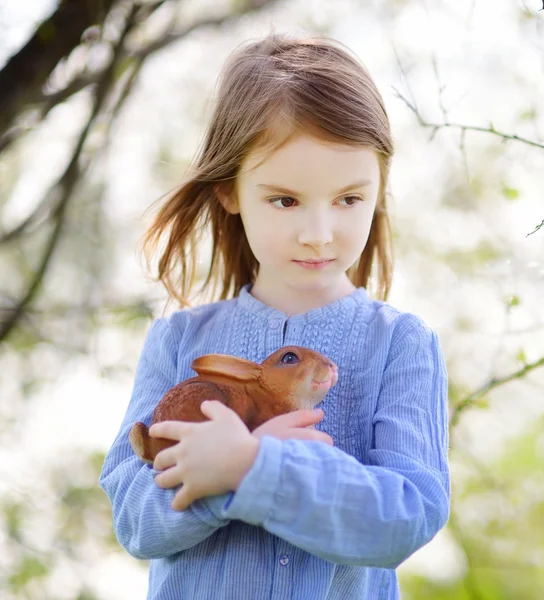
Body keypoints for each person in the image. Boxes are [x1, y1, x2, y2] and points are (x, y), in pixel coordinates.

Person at [99, 32, 450, 600]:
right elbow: (133, 517)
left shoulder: (401, 344)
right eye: (285, 200)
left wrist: (259, 472)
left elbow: (410, 514)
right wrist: (217, 478)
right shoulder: (179, 341)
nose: (318, 233)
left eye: (348, 199)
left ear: (379, 187)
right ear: (229, 191)